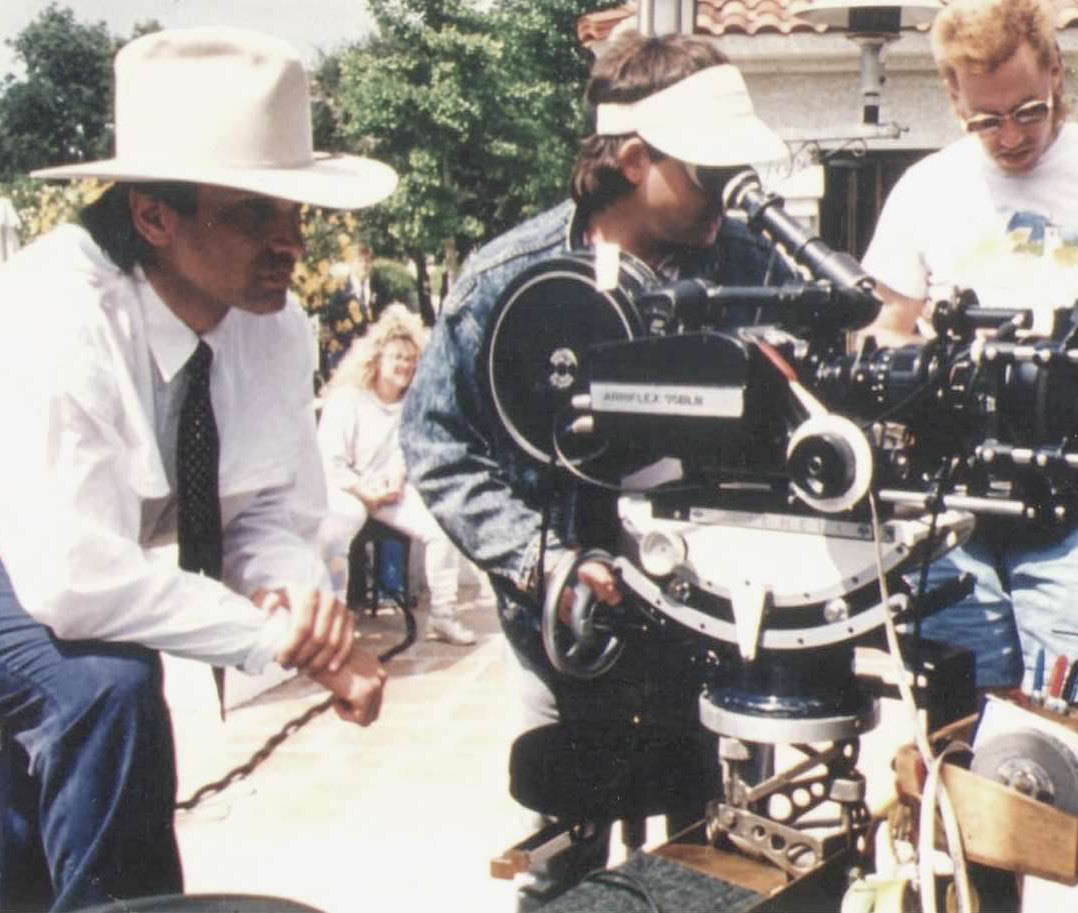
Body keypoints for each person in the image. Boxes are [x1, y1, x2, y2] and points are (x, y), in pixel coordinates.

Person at [0, 28, 394, 912]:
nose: (290, 243)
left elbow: (267, 508)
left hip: (50, 556)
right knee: (104, 687)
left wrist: (297, 603)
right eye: (254, 213)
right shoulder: (50, 315)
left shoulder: (273, 323)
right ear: (153, 217)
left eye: (297, 213)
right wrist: (271, 640)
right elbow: (74, 580)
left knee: (81, 712)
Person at [401, 32, 796, 907]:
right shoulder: (507, 279)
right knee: (563, 865)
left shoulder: (756, 268)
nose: (727, 191)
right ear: (632, 160)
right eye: (707, 170)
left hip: (721, 633)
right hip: (569, 638)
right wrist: (540, 559)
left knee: (728, 866)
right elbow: (435, 441)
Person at [858, 0, 1078, 909]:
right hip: (957, 525)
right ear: (953, 98)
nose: (1013, 136)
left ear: (1055, 71)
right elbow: (883, 333)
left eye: (1029, 110)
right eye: (988, 120)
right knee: (971, 796)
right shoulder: (925, 189)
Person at [316, 304, 476, 646]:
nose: (404, 365)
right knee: (335, 531)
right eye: (396, 358)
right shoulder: (348, 399)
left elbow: (409, 450)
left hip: (389, 493)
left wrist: (396, 476)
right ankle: (334, 623)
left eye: (410, 358)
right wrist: (364, 492)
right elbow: (329, 463)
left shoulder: (411, 404)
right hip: (347, 491)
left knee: (442, 526)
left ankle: (444, 615)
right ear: (378, 359)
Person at [320, 243, 393, 375]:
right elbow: (331, 326)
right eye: (359, 261)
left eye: (367, 261)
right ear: (351, 263)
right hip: (345, 358)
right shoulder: (339, 291)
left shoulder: (380, 289)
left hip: (372, 358)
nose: (364, 265)